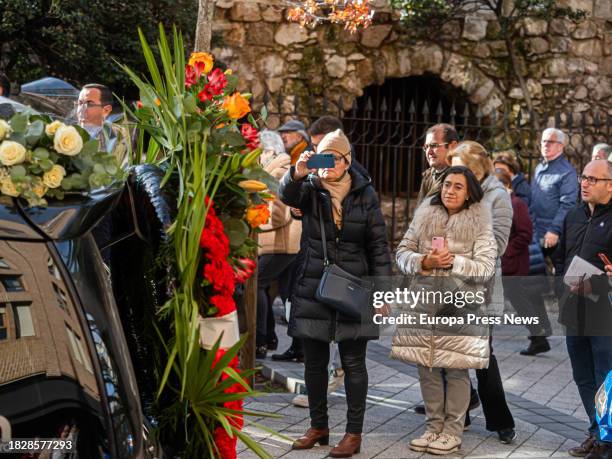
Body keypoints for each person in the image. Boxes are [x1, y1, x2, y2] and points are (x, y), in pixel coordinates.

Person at [279, 129, 391, 458]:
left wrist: (383, 293)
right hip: (315, 283)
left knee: (354, 362)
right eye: (322, 157)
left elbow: (379, 246)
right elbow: (286, 194)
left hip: (354, 286)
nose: (328, 165)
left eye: (335, 158)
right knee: (313, 362)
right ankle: (318, 426)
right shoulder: (309, 189)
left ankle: (353, 434)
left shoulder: (365, 193)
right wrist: (297, 171)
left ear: (347, 161)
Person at [393, 166, 496, 455]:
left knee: (455, 369)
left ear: (469, 192)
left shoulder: (479, 220)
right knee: (426, 366)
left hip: (460, 304)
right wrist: (423, 261)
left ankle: (452, 430)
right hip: (423, 301)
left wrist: (454, 263)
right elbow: (401, 252)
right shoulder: (426, 212)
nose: (450, 190)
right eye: (447, 184)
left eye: (458, 186)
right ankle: (433, 426)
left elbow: (486, 268)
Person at [449, 141, 517, 444]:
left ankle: (501, 420)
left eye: (457, 164)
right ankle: (458, 414)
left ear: (474, 168)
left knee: (481, 354)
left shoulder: (497, 195)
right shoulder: (453, 188)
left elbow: (498, 244)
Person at [552, 159, 612, 459]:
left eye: (592, 179)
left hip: (604, 312)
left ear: (610, 185)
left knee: (605, 377)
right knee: (582, 375)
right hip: (573, 308)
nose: (584, 183)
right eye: (582, 177)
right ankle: (595, 432)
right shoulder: (573, 214)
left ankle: (608, 441)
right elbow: (561, 257)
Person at [523, 127, 579, 355]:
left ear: (561, 146)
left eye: (550, 141)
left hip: (556, 237)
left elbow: (568, 204)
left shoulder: (566, 173)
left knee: (561, 288)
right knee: (527, 284)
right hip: (536, 235)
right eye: (543, 140)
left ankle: (575, 334)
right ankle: (539, 336)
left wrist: (555, 230)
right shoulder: (540, 167)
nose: (545, 144)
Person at [255, 130, 301, 359]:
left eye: (259, 151)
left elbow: (278, 216)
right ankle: (279, 341)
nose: (257, 157)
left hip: (279, 244)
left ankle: (261, 340)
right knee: (288, 293)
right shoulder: (278, 170)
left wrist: (252, 223)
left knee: (257, 283)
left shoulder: (278, 172)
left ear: (270, 151)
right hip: (283, 244)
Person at [416, 124, 459, 206]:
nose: (429, 152)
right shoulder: (428, 175)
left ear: (453, 146)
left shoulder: (460, 177)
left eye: (434, 146)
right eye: (426, 147)